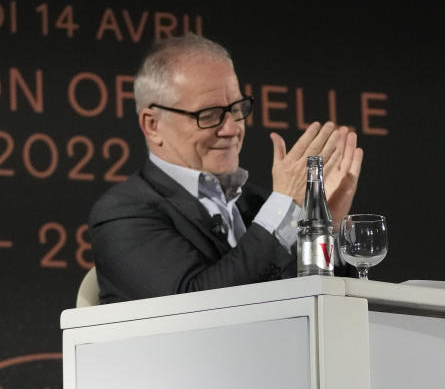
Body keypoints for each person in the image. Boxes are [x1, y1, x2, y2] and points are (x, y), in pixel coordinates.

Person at [88, 33, 363, 303]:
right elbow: (194, 306)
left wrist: (324, 229)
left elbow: (318, 303)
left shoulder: (260, 205)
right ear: (153, 125)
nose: (231, 128)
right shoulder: (123, 213)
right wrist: (286, 203)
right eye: (208, 115)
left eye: (236, 108)